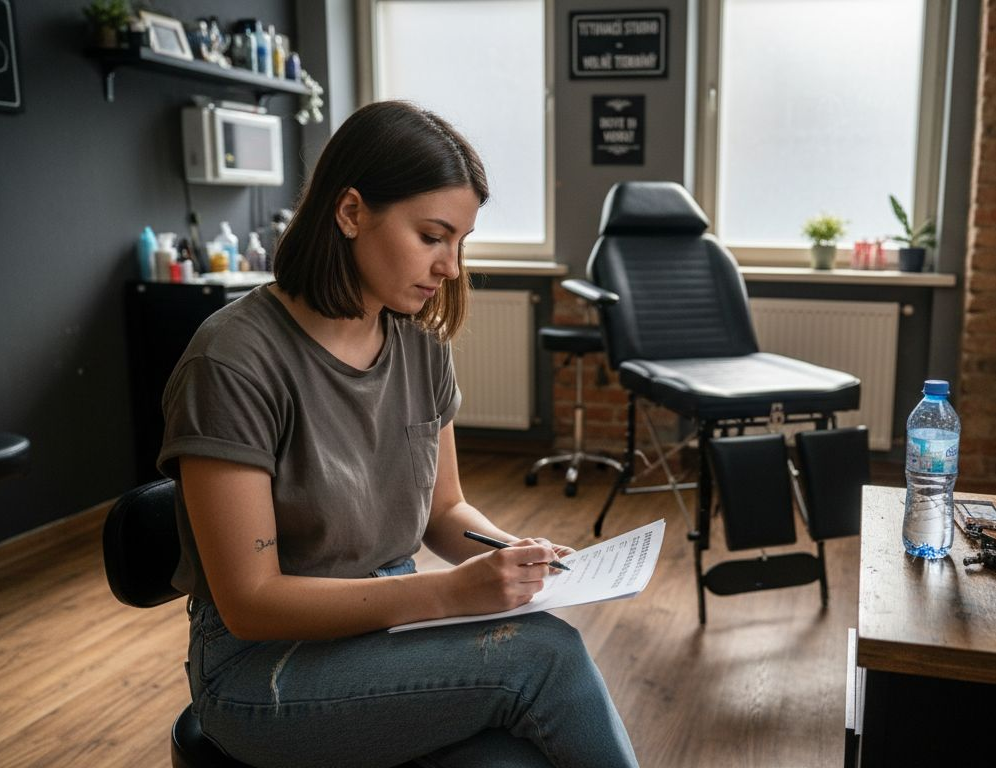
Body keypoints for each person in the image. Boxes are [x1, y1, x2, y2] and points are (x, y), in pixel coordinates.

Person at [158, 101, 638, 768]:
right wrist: (448, 592)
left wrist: (518, 554)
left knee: (530, 709)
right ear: (351, 212)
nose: (451, 267)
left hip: (381, 628)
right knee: (546, 660)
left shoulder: (420, 344)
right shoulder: (232, 361)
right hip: (259, 670)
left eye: (461, 242)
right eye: (433, 236)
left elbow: (444, 511)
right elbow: (252, 603)